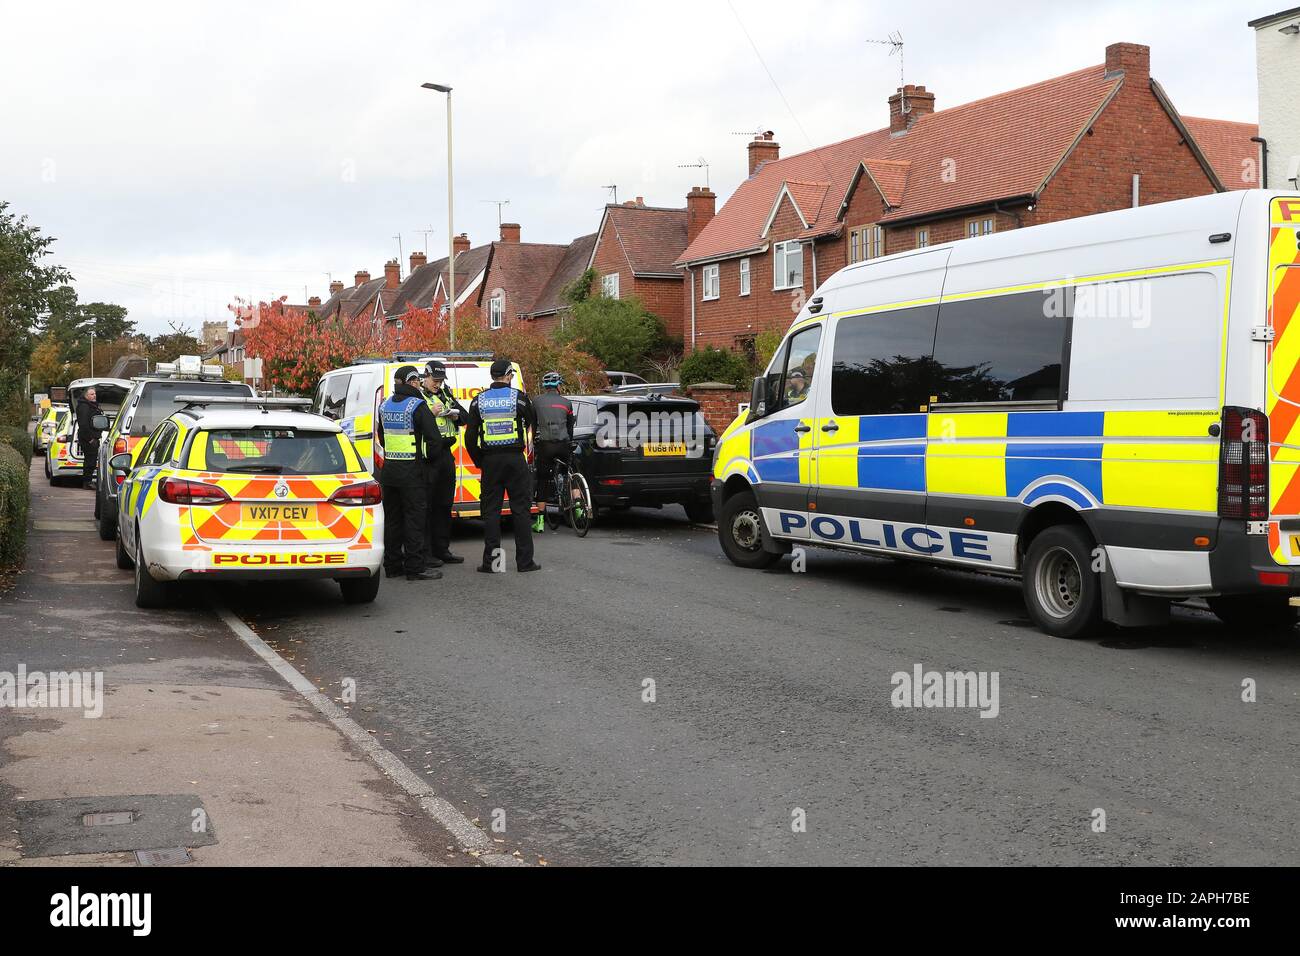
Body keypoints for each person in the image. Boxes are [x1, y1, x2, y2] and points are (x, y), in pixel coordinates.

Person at [465, 359, 539, 573]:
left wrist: (480, 460)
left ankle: (493, 563)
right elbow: (533, 422)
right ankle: (525, 563)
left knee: (491, 512)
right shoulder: (519, 398)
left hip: (491, 461)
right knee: (521, 511)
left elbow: (470, 437)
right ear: (508, 376)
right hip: (515, 460)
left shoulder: (478, 401)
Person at [375, 365, 444, 581]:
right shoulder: (418, 405)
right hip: (413, 473)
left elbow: (383, 437)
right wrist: (427, 461)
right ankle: (415, 567)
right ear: (413, 382)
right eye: (416, 380)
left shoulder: (384, 406)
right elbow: (434, 440)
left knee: (393, 520)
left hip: (389, 472)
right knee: (414, 520)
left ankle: (393, 565)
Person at [419, 360, 468, 567]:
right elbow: (415, 423)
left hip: (446, 455)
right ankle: (426, 552)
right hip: (428, 457)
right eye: (435, 380)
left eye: (440, 381)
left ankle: (442, 549)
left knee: (444, 505)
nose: (437, 384)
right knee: (427, 507)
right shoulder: (418, 397)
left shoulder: (446, 395)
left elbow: (465, 417)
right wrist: (431, 414)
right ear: (425, 377)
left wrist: (453, 415)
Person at [531, 371, 575, 532]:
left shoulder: (536, 401)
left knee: (543, 481)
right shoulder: (567, 402)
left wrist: (532, 444)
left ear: (545, 386)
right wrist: (569, 442)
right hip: (563, 445)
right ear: (558, 385)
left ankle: (540, 522)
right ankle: (577, 508)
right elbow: (570, 427)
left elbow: (533, 425)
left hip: (545, 445)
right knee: (570, 472)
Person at [75, 387, 105, 490]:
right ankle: (87, 482)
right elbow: (83, 425)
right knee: (90, 461)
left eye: (95, 394)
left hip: (92, 437)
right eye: (92, 394)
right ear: (86, 396)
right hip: (88, 438)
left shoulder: (91, 405)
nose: (94, 396)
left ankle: (88, 481)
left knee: (91, 460)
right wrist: (90, 439)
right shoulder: (84, 407)